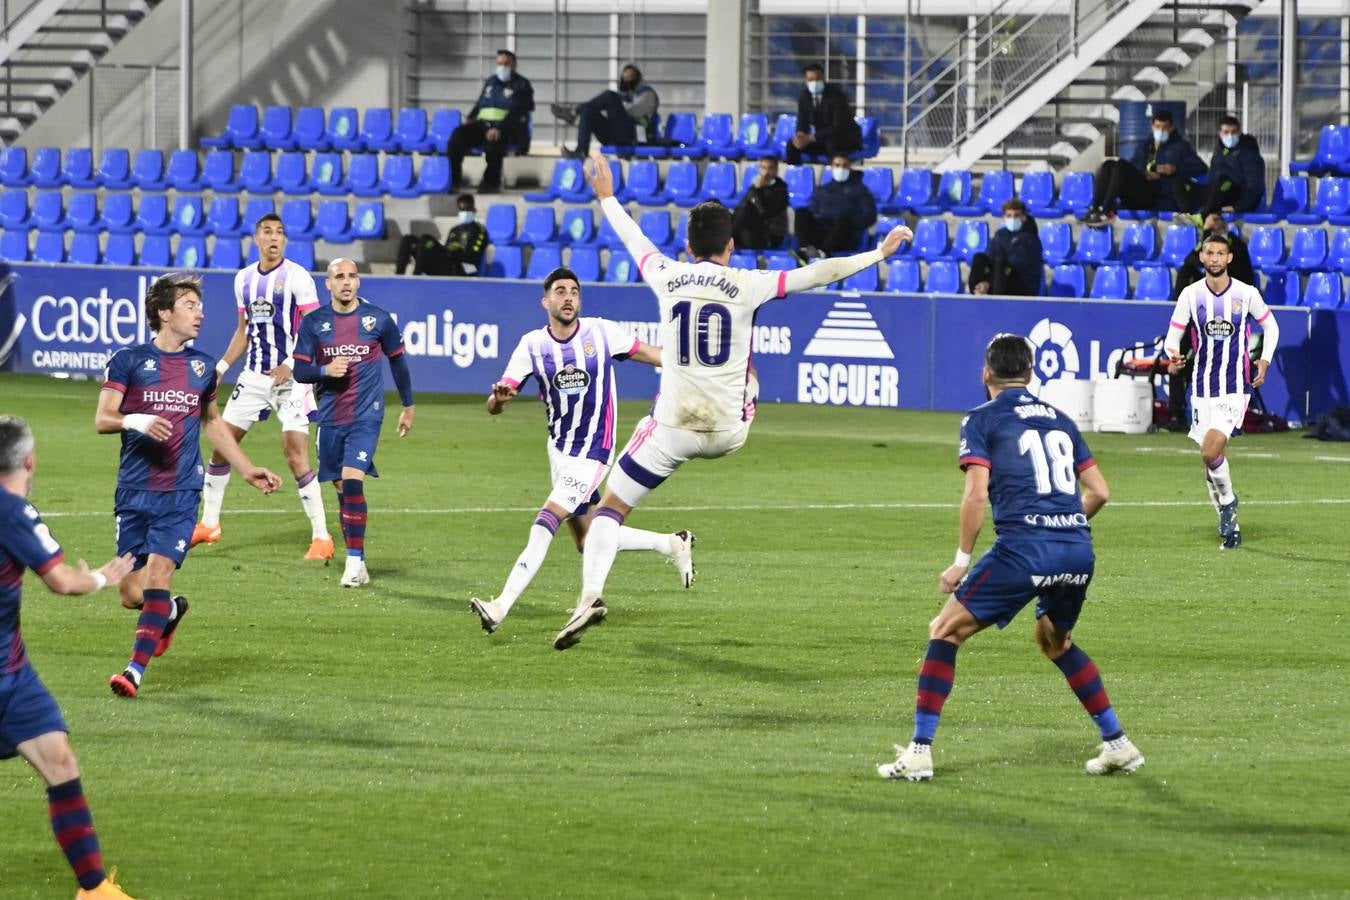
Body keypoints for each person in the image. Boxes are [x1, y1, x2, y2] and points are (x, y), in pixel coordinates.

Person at [550, 153, 912, 651]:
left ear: (688, 246)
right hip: (728, 430)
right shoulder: (750, 283)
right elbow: (820, 273)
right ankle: (747, 397)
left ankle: (590, 596)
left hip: (673, 426)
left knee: (608, 510)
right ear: (731, 246)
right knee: (750, 375)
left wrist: (607, 196)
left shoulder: (667, 274)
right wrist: (880, 253)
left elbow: (633, 238)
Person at [878, 334, 1143, 782]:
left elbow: (976, 493)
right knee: (1054, 641)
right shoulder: (1061, 420)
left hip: (1024, 549)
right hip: (1078, 548)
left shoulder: (981, 419)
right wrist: (1062, 524)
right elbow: (1100, 491)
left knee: (944, 630)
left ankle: (920, 752)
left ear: (986, 375)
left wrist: (962, 559)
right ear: (1032, 374)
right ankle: (1118, 743)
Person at [470, 267, 695, 634]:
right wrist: (499, 399)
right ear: (546, 301)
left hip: (594, 451)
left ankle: (500, 606)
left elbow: (654, 355)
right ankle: (672, 544)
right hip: (559, 451)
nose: (568, 297)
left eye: (574, 291)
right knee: (589, 540)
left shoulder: (602, 332)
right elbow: (495, 403)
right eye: (560, 291)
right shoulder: (532, 345)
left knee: (546, 520)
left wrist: (698, 364)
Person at [96, 274, 282, 699]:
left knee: (159, 573)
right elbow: (102, 418)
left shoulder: (202, 369)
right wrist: (134, 419)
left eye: (200, 305)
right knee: (130, 592)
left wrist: (247, 468)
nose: (200, 312)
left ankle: (133, 672)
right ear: (165, 313)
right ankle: (171, 612)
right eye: (189, 304)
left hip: (180, 492)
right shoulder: (128, 361)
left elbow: (212, 422)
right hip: (134, 490)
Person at [0, 416, 138, 899]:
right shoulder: (13, 512)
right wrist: (102, 576)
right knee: (59, 763)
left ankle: (94, 890)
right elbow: (63, 581)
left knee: (59, 759)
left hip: (11, 674)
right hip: (7, 674)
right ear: (29, 461)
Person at [194, 213, 332, 561]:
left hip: (293, 377)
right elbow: (244, 330)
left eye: (280, 233)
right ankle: (209, 524)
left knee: (294, 453)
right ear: (256, 238)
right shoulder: (243, 280)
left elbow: (315, 327)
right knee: (222, 446)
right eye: (268, 232)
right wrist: (222, 367)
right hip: (254, 377)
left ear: (285, 240)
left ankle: (322, 537)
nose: (274, 237)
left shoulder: (298, 277)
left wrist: (290, 364)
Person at [291, 258, 416, 588]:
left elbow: (398, 362)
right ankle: (358, 561)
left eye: (351, 276)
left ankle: (354, 561)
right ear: (328, 284)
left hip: (367, 414)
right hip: (331, 417)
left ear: (358, 282)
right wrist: (325, 371)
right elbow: (300, 371)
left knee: (352, 480)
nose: (346, 282)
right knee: (342, 488)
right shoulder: (314, 323)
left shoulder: (378, 319)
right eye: (338, 277)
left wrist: (408, 405)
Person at [1164, 232, 1280, 549]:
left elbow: (1271, 326)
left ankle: (1228, 504)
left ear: (1229, 258)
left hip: (1233, 388)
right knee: (1210, 464)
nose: (1214, 258)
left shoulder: (1246, 293)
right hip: (1201, 390)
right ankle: (1229, 526)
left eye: (1220, 253)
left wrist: (1264, 361)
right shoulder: (1190, 295)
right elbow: (1173, 335)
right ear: (1202, 257)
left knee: (1210, 450)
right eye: (1209, 253)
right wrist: (1172, 355)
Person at [1083, 110, 1206, 225]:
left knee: (1120, 165)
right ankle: (1096, 208)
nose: (1161, 131)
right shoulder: (1146, 145)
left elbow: (1201, 168)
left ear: (1171, 127)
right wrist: (1143, 173)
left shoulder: (1181, 147)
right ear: (1152, 127)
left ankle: (1107, 210)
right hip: (1140, 190)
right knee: (1109, 164)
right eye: (1158, 127)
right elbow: (1132, 167)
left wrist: (1175, 169)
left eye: (1165, 128)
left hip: (1157, 194)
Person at [448, 49, 534, 193]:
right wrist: (470, 117)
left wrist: (499, 128)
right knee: (457, 137)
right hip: (483, 125)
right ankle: (454, 181)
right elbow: (480, 104)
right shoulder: (491, 82)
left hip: (508, 128)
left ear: (514, 65)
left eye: (506, 64)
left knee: (495, 142)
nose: (502, 67)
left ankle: (490, 183)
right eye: (499, 63)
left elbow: (517, 111)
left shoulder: (522, 85)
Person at [552, 64, 659, 157]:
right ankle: (581, 152)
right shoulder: (624, 96)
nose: (627, 79)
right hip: (615, 135)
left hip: (635, 136)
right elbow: (619, 112)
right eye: (625, 76)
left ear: (638, 76)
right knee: (588, 111)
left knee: (609, 96)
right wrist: (616, 108)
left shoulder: (647, 93)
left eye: (630, 76)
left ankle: (573, 112)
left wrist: (617, 108)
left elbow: (636, 113)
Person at [794, 153, 877, 259]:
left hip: (845, 235)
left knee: (843, 221)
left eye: (844, 165)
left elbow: (870, 215)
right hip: (823, 230)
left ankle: (822, 253)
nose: (841, 168)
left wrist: (851, 222)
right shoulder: (823, 190)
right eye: (837, 165)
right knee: (801, 212)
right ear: (832, 167)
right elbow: (813, 211)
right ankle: (805, 250)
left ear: (849, 167)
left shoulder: (860, 190)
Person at [395, 193, 489, 277]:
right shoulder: (454, 230)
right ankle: (398, 276)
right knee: (408, 239)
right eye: (461, 210)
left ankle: (416, 275)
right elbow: (446, 248)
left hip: (459, 269)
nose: (463, 212)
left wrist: (453, 255)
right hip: (445, 262)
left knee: (425, 240)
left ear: (473, 209)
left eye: (466, 209)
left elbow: (473, 257)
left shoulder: (479, 230)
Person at [786, 63, 862, 166]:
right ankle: (796, 176)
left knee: (830, 142)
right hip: (820, 138)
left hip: (844, 139)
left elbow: (838, 127)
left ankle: (833, 177)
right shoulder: (804, 96)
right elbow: (802, 120)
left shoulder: (837, 96)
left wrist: (811, 138)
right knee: (792, 145)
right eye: (810, 80)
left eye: (817, 79)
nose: (814, 83)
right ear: (806, 81)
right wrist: (800, 135)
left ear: (823, 78)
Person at [968, 198, 1044, 296]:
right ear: (1004, 217)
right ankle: (976, 290)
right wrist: (984, 281)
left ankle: (997, 302)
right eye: (1009, 215)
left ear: (1024, 217)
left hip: (1022, 285)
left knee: (1002, 265)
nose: (1013, 219)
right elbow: (990, 257)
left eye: (1016, 215)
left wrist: (988, 283)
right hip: (999, 280)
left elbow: (1017, 266)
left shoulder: (1030, 239)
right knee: (979, 258)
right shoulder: (1000, 235)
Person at [1198, 115, 1266, 217]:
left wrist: (1238, 206)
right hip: (1219, 194)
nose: (1230, 136)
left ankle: (1201, 217)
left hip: (1238, 197)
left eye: (1233, 132)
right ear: (1219, 133)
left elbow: (1254, 187)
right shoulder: (1221, 152)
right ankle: (1184, 217)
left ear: (1239, 133)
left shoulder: (1249, 153)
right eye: (1226, 132)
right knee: (1181, 182)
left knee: (1224, 181)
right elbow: (1211, 179)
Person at [731, 157, 790, 251]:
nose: (766, 172)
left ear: (776, 170)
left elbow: (764, 213)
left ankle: (727, 238)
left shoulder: (781, 190)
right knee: (716, 205)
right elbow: (740, 207)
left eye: (770, 168)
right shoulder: (755, 187)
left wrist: (758, 190)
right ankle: (727, 238)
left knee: (747, 208)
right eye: (763, 167)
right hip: (750, 231)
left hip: (769, 236)